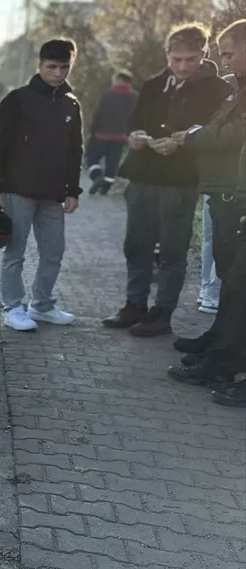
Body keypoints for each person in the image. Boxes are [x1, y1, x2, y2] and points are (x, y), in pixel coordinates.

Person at [101, 23, 231, 337]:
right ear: (167, 55)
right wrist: (134, 136)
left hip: (181, 180)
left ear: (204, 54)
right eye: (176, 59)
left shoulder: (220, 90)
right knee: (136, 245)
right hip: (143, 174)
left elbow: (216, 135)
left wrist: (181, 142)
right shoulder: (152, 84)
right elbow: (134, 121)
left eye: (189, 59)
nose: (182, 66)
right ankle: (135, 305)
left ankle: (162, 314)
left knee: (172, 250)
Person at [163, 18, 246, 396]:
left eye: (229, 54)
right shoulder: (237, 89)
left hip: (235, 195)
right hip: (227, 192)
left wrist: (194, 136)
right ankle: (221, 348)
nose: (225, 62)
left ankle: (225, 361)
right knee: (232, 283)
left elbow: (230, 134)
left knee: (237, 285)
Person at [0, 38, 83, 332]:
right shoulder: (17, 100)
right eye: (52, 67)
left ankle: (42, 305)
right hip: (17, 189)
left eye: (64, 67)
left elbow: (75, 150)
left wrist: (73, 190)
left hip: (53, 194)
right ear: (39, 65)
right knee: (15, 251)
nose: (58, 73)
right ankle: (13, 308)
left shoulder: (71, 104)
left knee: (54, 252)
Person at [85, 70, 138, 195]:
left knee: (92, 158)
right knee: (112, 163)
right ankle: (105, 188)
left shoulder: (107, 95)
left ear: (117, 80)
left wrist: (92, 130)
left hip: (101, 135)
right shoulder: (135, 97)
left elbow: (97, 114)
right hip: (120, 137)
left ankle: (97, 177)